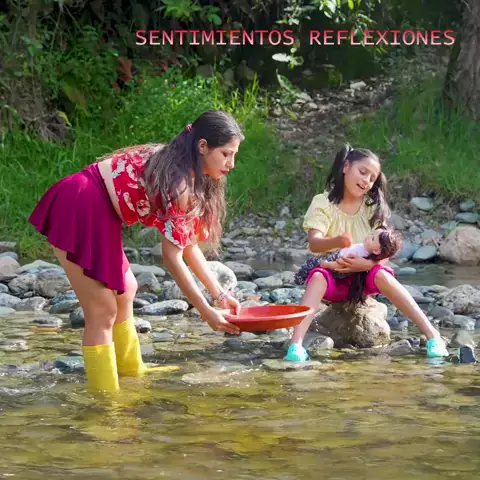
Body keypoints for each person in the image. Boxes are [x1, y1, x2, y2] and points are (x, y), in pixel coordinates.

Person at [28, 110, 243, 393]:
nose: (231, 163)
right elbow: (172, 257)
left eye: (234, 155)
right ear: (203, 146)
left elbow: (188, 244)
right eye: (226, 154)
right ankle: (106, 399)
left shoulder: (186, 169)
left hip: (100, 209)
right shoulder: (178, 182)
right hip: (80, 202)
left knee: (126, 289)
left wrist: (220, 295)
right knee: (102, 310)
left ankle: (131, 370)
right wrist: (206, 311)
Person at [284, 144, 449, 362]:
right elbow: (315, 244)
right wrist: (337, 241)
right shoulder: (323, 202)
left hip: (362, 279)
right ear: (346, 167)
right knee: (316, 277)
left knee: (382, 274)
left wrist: (368, 265)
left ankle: (432, 335)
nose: (366, 181)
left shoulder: (372, 207)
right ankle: (296, 345)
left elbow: (386, 249)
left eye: (372, 178)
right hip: (332, 276)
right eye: (362, 172)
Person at [294, 226, 403, 285]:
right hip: (336, 256)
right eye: (371, 234)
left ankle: (298, 280)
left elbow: (342, 264)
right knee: (312, 263)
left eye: (372, 238)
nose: (368, 236)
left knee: (311, 264)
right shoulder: (365, 250)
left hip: (334, 262)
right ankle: (299, 276)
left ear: (376, 250)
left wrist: (328, 265)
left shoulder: (360, 255)